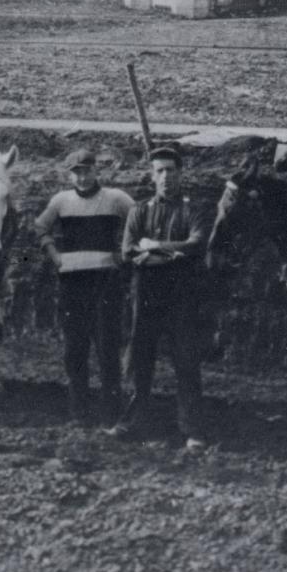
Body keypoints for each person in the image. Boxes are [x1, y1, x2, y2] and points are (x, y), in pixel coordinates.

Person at [107, 146, 212, 451]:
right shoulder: (139, 211)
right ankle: (133, 421)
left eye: (172, 170)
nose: (166, 177)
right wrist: (172, 254)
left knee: (186, 362)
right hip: (146, 295)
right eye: (160, 171)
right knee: (140, 360)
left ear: (181, 174)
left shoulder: (194, 210)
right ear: (152, 176)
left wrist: (152, 246)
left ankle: (193, 429)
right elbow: (127, 252)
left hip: (181, 297)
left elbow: (196, 244)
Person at [32, 147, 135, 426]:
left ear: (96, 170)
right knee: (74, 350)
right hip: (72, 284)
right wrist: (55, 256)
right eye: (76, 173)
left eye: (87, 171)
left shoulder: (115, 198)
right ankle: (79, 413)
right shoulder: (61, 201)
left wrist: (124, 253)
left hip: (105, 282)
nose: (82, 178)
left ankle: (111, 413)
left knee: (107, 349)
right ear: (70, 175)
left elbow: (138, 221)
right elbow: (40, 226)